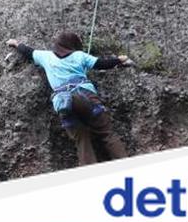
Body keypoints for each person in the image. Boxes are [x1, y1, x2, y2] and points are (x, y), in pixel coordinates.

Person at [7, 32, 134, 165]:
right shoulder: (79, 56)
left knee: (82, 141)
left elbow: (27, 51)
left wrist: (15, 43)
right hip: (85, 98)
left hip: (63, 103)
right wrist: (120, 60)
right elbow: (101, 64)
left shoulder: (46, 57)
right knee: (107, 134)